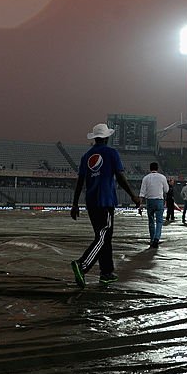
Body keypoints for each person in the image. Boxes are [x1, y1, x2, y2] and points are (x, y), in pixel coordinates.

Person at [70, 123, 141, 286]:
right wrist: (133, 196)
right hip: (105, 200)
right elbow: (120, 177)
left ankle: (106, 272)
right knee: (103, 236)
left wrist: (75, 205)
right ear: (107, 137)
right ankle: (82, 265)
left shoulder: (86, 156)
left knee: (103, 236)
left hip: (91, 201)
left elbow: (80, 181)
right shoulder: (111, 153)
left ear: (95, 138)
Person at [140, 162, 169, 248]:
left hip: (149, 201)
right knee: (159, 221)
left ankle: (152, 239)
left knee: (151, 221)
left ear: (150, 168)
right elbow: (166, 190)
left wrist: (141, 204)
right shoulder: (162, 177)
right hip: (159, 201)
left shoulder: (145, 178)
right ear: (158, 168)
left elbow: (142, 192)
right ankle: (157, 238)